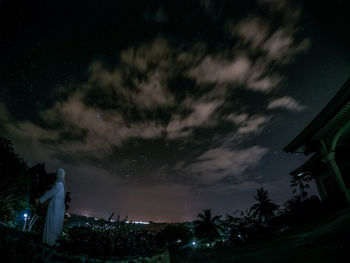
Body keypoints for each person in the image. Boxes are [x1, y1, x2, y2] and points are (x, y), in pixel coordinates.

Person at [35, 168, 66, 246]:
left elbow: (51, 192)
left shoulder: (59, 183)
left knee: (52, 222)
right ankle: (54, 242)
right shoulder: (62, 184)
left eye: (56, 173)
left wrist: (40, 199)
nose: (55, 175)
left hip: (55, 206)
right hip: (59, 206)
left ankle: (50, 241)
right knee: (56, 223)